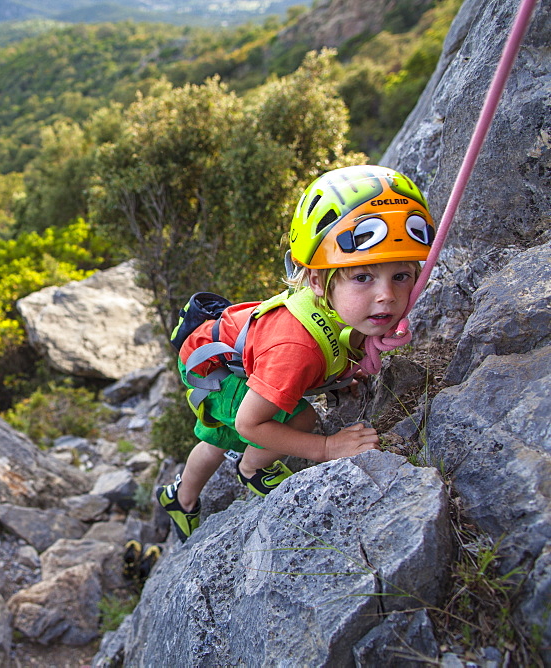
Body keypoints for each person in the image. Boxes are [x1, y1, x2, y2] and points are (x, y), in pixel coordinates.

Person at [156, 165, 435, 542]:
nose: (386, 295)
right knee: (295, 422)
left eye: (400, 276)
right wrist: (327, 447)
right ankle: (251, 469)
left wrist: (344, 372)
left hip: (229, 355)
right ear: (319, 281)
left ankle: (179, 499)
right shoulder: (295, 349)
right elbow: (249, 424)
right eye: (363, 277)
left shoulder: (334, 306)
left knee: (215, 440)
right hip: (217, 373)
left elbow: (334, 339)